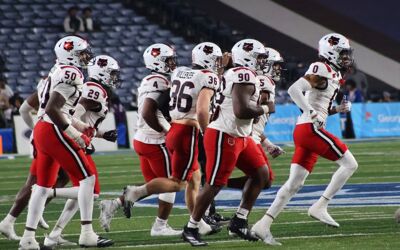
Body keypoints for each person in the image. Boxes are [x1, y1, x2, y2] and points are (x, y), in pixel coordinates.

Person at [251, 33, 358, 246]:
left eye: (347, 54)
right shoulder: (321, 68)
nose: (346, 58)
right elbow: (294, 90)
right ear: (331, 52)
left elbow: (322, 108)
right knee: (350, 164)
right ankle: (321, 205)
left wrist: (337, 109)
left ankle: (262, 225)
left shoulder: (333, 74)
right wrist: (311, 111)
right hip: (309, 129)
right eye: (342, 54)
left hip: (307, 129)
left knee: (294, 184)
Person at [19, 35, 112, 249]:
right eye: (81, 53)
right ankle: (87, 233)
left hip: (43, 128)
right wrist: (76, 135)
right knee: (87, 180)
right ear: (69, 54)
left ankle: (28, 239)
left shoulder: (57, 70)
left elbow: (62, 110)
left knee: (41, 187)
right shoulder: (71, 73)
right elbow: (54, 109)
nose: (85, 56)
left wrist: (85, 130)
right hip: (52, 127)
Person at [182, 39, 273, 246]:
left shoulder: (237, 73)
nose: (261, 62)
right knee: (215, 183)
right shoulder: (243, 74)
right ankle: (191, 227)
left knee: (262, 175)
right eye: (259, 57)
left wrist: (258, 109)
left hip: (240, 134)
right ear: (247, 57)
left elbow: (243, 110)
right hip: (225, 134)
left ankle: (239, 220)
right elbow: (241, 111)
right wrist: (266, 108)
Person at [99, 43, 185, 236]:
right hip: (154, 140)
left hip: (143, 138)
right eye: (168, 60)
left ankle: (114, 204)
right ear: (157, 61)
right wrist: (167, 132)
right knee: (173, 183)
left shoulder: (153, 79)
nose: (172, 63)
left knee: (153, 186)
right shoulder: (158, 81)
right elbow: (148, 112)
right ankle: (160, 227)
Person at [43, 55, 119, 248]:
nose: (114, 77)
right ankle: (47, 194)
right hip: (73, 141)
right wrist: (78, 137)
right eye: (111, 73)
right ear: (101, 72)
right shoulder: (94, 89)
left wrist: (101, 134)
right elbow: (74, 113)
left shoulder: (94, 88)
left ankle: (54, 235)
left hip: (73, 139)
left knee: (82, 192)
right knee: (90, 191)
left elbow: (83, 120)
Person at [0, 79, 70, 242]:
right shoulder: (62, 80)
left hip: (49, 133)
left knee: (63, 176)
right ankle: (9, 221)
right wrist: (37, 128)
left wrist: (36, 128)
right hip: (49, 135)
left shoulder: (52, 80)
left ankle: (35, 211)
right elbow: (25, 109)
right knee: (35, 182)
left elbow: (24, 109)